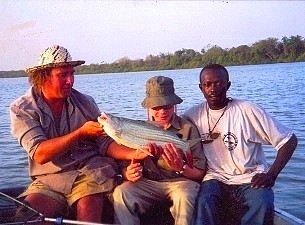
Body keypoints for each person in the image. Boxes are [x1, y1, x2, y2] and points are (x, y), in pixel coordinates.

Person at [9, 45, 150, 223]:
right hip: (50, 179)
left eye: (72, 73)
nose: (70, 81)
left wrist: (134, 153)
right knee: (29, 216)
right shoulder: (23, 109)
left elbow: (105, 143)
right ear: (43, 77)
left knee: (88, 208)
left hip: (90, 172)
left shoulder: (85, 102)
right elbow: (39, 153)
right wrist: (80, 133)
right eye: (62, 75)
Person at [183, 64, 298, 225]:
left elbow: (289, 140)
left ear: (228, 85)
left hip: (249, 178)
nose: (213, 89)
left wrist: (271, 175)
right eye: (207, 84)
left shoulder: (247, 110)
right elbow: (172, 128)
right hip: (215, 177)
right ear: (200, 87)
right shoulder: (192, 115)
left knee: (263, 203)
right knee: (203, 203)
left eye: (218, 83)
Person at [112, 76, 206, 225]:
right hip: (148, 183)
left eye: (167, 106)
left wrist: (181, 167)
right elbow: (125, 167)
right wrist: (128, 173)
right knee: (121, 193)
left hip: (180, 183)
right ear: (148, 107)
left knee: (184, 195)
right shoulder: (137, 128)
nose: (162, 111)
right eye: (156, 107)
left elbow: (199, 173)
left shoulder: (188, 129)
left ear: (174, 105)